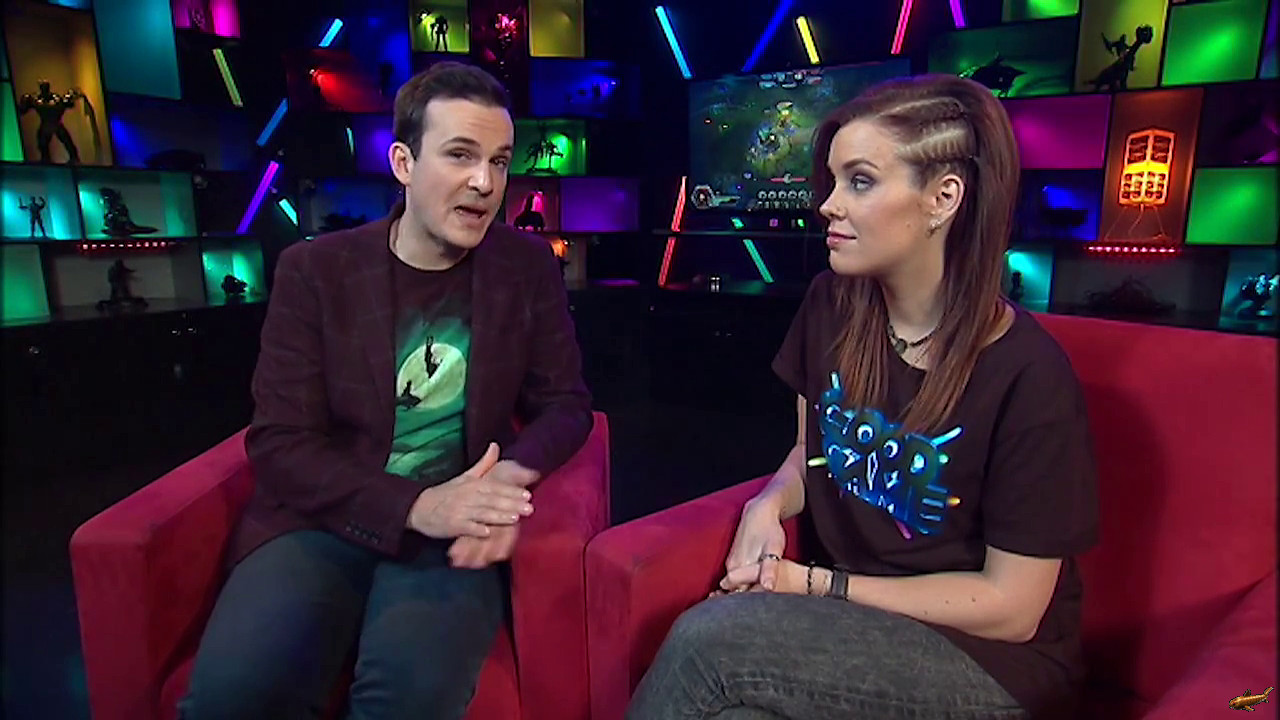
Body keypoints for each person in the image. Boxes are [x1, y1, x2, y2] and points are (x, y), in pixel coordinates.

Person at [626, 74, 1099, 720]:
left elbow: (1013, 609)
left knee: (707, 643)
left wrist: (814, 585)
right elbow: (813, 453)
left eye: (861, 182)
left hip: (992, 665)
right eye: (833, 181)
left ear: (943, 198)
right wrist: (768, 504)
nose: (828, 205)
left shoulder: (1030, 376)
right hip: (858, 626)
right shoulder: (831, 304)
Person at [178, 61, 594, 720]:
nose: (485, 183)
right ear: (403, 162)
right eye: (460, 155)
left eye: (499, 161)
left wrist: (506, 481)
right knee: (234, 699)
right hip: (322, 519)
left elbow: (566, 404)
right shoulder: (316, 271)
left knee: (409, 698)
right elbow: (281, 443)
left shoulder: (525, 266)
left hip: (453, 529)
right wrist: (414, 505)